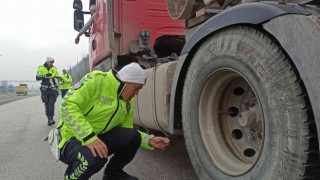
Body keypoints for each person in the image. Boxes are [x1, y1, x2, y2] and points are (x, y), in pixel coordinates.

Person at [57, 63, 170, 180]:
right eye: (137, 88)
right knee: (93, 159)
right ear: (126, 82)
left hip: (95, 136)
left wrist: (149, 140)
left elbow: (126, 131)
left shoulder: (127, 102)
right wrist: (89, 137)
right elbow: (67, 106)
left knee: (133, 136)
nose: (137, 94)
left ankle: (113, 175)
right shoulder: (96, 80)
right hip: (69, 138)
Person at [36, 57, 59, 126]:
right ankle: (49, 118)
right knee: (47, 105)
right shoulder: (41, 68)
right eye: (51, 62)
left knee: (51, 104)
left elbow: (56, 76)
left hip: (52, 89)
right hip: (44, 90)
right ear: (47, 62)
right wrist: (44, 76)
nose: (52, 64)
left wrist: (59, 78)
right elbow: (37, 77)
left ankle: (51, 118)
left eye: (53, 62)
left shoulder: (54, 69)